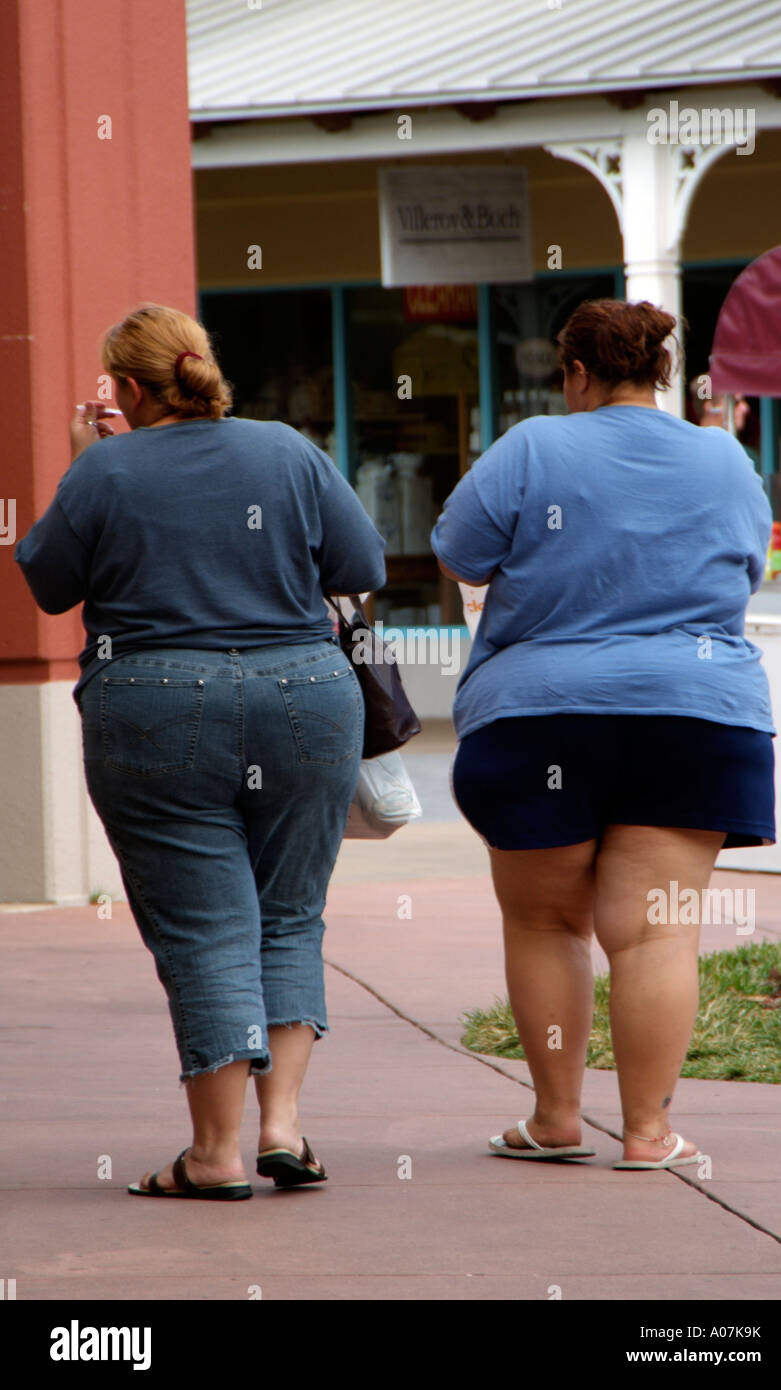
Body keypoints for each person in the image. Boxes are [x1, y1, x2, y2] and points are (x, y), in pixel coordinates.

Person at [16, 303, 385, 1199]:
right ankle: (281, 1131)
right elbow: (364, 564)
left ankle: (215, 1154)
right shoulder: (288, 450)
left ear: (132, 390)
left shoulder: (106, 468)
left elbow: (49, 581)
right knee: (289, 912)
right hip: (304, 694)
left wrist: (88, 465)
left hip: (154, 703)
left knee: (205, 924)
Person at [431, 299, 775, 1171]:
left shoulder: (535, 446)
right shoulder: (723, 455)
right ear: (661, 370)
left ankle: (554, 1118)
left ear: (575, 372)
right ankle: (649, 1134)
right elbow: (749, 569)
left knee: (547, 924)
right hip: (694, 712)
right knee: (656, 931)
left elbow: (458, 554)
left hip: (537, 713)